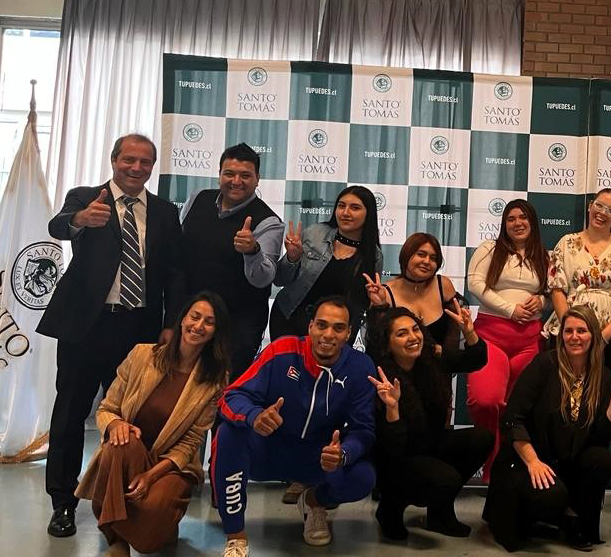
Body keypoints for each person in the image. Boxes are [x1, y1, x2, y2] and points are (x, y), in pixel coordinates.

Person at [38, 133, 184, 538]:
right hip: (87, 326)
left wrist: (171, 323)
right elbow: (59, 225)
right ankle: (62, 503)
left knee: (131, 419)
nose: (136, 168)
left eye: (145, 162)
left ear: (153, 166)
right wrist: (79, 220)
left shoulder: (165, 212)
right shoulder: (86, 196)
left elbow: (175, 272)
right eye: (129, 160)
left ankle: (121, 500)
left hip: (140, 330)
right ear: (114, 160)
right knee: (70, 413)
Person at [213, 296, 377, 557]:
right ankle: (236, 536)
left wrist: (343, 452)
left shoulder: (360, 367)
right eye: (322, 325)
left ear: (348, 333)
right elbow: (232, 397)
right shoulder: (282, 350)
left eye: (338, 328)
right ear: (310, 327)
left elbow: (364, 430)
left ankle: (313, 502)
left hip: (318, 459)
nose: (328, 334)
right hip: (269, 450)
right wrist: (255, 416)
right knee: (228, 433)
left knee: (363, 477)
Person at [75, 292, 232, 556]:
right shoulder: (142, 355)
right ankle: (117, 542)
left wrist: (150, 476)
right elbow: (107, 408)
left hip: (170, 465)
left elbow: (191, 443)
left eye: (209, 322)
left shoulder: (215, 380)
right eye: (194, 317)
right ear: (182, 320)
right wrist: (115, 425)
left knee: (150, 536)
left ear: (216, 332)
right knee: (118, 445)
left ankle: (161, 527)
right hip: (128, 454)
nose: (199, 326)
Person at [483, 306, 611, 552]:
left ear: (593, 335)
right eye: (568, 331)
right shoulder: (544, 364)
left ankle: (574, 519)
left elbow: (606, 432)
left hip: (564, 461)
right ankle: (535, 514)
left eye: (581, 331)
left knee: (601, 459)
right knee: (550, 498)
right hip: (525, 459)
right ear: (561, 335)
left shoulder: (602, 375)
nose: (574, 337)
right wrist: (533, 462)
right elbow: (512, 419)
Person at [367, 304, 492, 539]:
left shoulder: (430, 357)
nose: (413, 337)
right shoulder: (381, 377)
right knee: (444, 478)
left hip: (428, 443)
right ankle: (390, 509)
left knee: (481, 439)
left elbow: (476, 360)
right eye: (402, 333)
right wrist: (392, 408)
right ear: (387, 344)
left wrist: (469, 332)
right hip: (395, 459)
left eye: (415, 329)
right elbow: (390, 447)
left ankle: (440, 514)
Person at [178, 143, 282, 376]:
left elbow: (264, 278)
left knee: (224, 391)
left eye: (245, 175)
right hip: (192, 317)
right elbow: (179, 256)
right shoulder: (197, 199)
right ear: (219, 175)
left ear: (257, 179)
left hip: (237, 326)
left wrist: (252, 250)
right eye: (229, 173)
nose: (236, 181)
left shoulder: (269, 222)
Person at [466, 199, 549, 482]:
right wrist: (510, 309)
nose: (517, 223)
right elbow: (474, 283)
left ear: (532, 222)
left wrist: (541, 301)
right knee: (486, 400)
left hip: (529, 341)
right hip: (491, 336)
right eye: (511, 218)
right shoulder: (490, 249)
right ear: (504, 224)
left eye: (523, 217)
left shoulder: (544, 255)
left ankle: (510, 468)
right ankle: (491, 461)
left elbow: (551, 292)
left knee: (519, 409)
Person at [543, 188, 611, 375]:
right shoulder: (566, 243)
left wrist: (604, 337)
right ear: (590, 206)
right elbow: (557, 289)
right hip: (570, 334)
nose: (602, 213)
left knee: (607, 394)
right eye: (599, 205)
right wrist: (570, 329)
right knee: (562, 391)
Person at [272, 185, 381, 341]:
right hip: (288, 318)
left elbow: (360, 307)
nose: (346, 212)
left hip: (331, 335)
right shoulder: (315, 233)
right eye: (341, 206)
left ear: (368, 214)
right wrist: (292, 258)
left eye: (355, 208)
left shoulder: (373, 256)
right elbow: (280, 279)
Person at [364, 232, 462, 348]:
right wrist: (379, 306)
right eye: (421, 254)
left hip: (440, 362)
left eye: (433, 258)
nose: (427, 261)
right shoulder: (385, 293)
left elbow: (454, 337)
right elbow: (378, 343)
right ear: (406, 255)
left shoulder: (443, 285)